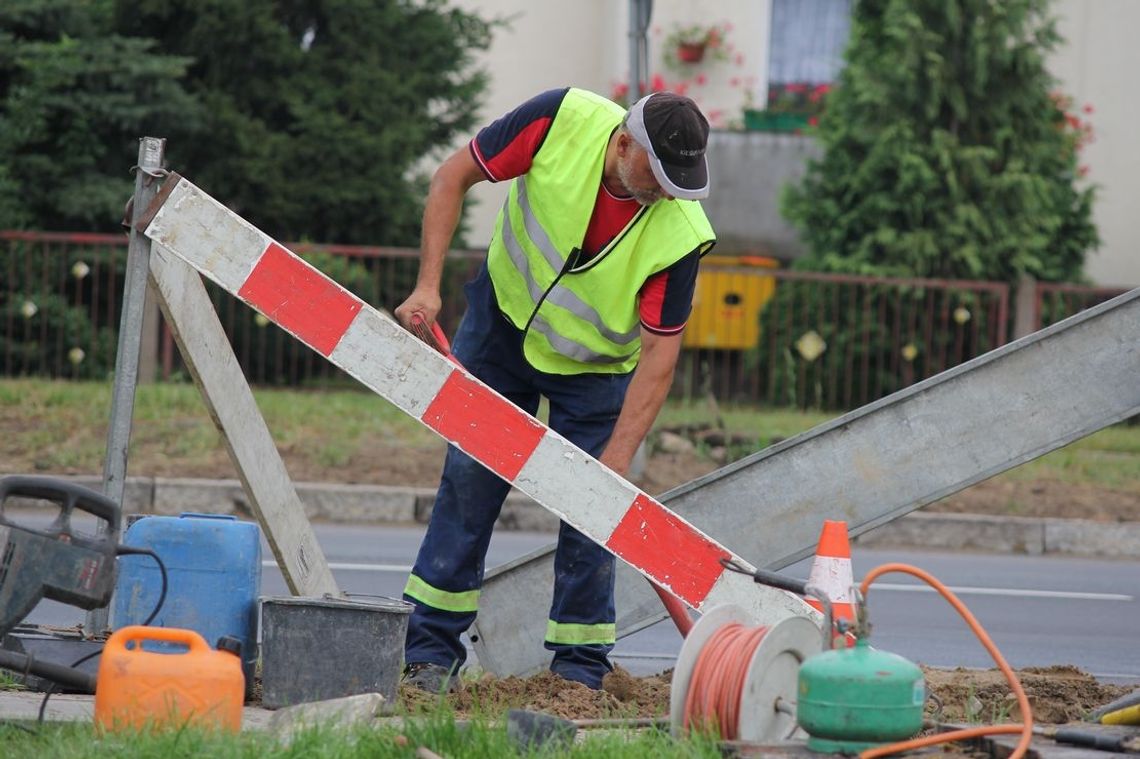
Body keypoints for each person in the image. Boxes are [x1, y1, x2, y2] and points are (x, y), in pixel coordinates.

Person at [394, 86, 716, 693]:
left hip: (595, 371)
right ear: (623, 144)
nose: (669, 190)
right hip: (501, 328)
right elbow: (450, 176)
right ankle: (430, 655)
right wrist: (428, 285)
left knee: (593, 510)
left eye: (682, 179)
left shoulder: (681, 235)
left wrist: (616, 461)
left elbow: (659, 359)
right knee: (469, 483)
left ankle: (578, 672)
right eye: (659, 172)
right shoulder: (558, 119)